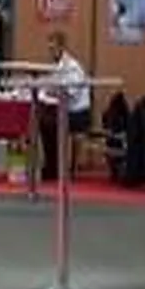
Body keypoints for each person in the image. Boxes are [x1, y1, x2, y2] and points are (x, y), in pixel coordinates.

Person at [36, 30, 90, 182]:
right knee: (44, 122)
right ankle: (52, 165)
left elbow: (71, 93)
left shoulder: (73, 67)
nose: (50, 51)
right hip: (63, 110)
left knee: (49, 123)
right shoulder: (56, 66)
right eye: (49, 48)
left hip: (78, 113)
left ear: (62, 47)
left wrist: (52, 93)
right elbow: (51, 87)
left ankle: (56, 167)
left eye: (53, 48)